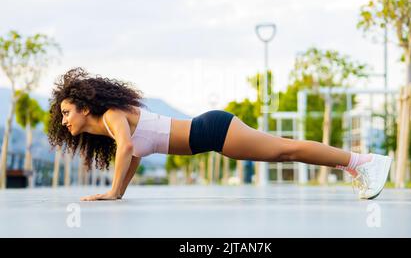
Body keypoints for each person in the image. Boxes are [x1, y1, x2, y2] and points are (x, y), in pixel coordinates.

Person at [47, 67, 392, 202]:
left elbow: (126, 148)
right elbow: (134, 153)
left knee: (285, 150)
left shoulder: (112, 116)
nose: (64, 121)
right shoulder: (112, 124)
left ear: (85, 107)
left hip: (213, 131)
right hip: (212, 135)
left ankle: (364, 161)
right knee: (285, 150)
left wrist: (110, 191)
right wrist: (118, 192)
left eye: (66, 113)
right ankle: (357, 165)